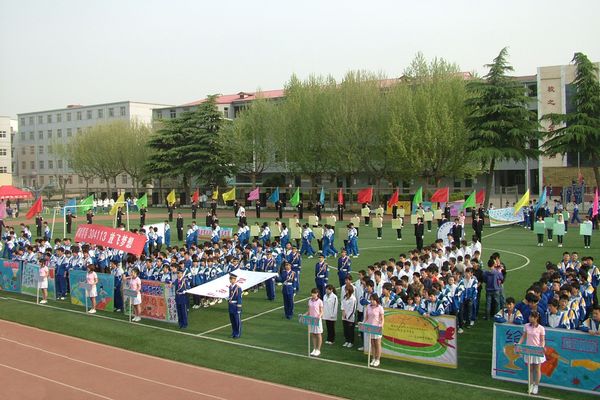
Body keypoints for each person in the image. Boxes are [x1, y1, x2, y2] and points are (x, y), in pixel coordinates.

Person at [518, 310, 546, 395]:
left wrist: (541, 348)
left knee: (537, 369)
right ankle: (530, 385)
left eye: (532, 317)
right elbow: (523, 337)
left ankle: (536, 386)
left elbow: (542, 340)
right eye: (530, 316)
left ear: (536, 318)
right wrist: (519, 344)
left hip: (537, 350)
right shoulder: (526, 326)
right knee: (530, 369)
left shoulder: (541, 328)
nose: (530, 318)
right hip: (528, 350)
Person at [364, 293, 384, 367]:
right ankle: (373, 358)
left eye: (373, 300)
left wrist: (381, 326)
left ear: (376, 300)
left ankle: (377, 359)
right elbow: (366, 317)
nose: (372, 301)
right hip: (370, 327)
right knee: (372, 343)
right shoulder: (368, 307)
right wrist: (364, 323)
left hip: (377, 327)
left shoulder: (380, 308)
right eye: (371, 300)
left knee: (377, 344)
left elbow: (382, 318)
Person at [307, 288, 324, 356]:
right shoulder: (309, 301)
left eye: (314, 293)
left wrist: (319, 316)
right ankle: (314, 349)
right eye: (312, 293)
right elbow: (309, 311)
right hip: (311, 319)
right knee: (313, 334)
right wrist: (304, 315)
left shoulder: (320, 301)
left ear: (317, 294)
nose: (312, 294)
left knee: (318, 334)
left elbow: (322, 311)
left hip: (317, 320)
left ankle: (318, 350)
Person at [228, 274, 242, 338]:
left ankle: (238, 333)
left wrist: (239, 308)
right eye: (230, 279)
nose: (231, 280)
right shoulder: (230, 287)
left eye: (232, 279)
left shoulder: (238, 288)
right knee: (232, 321)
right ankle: (234, 332)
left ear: (235, 280)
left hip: (236, 306)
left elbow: (239, 298)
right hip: (231, 306)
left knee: (237, 321)